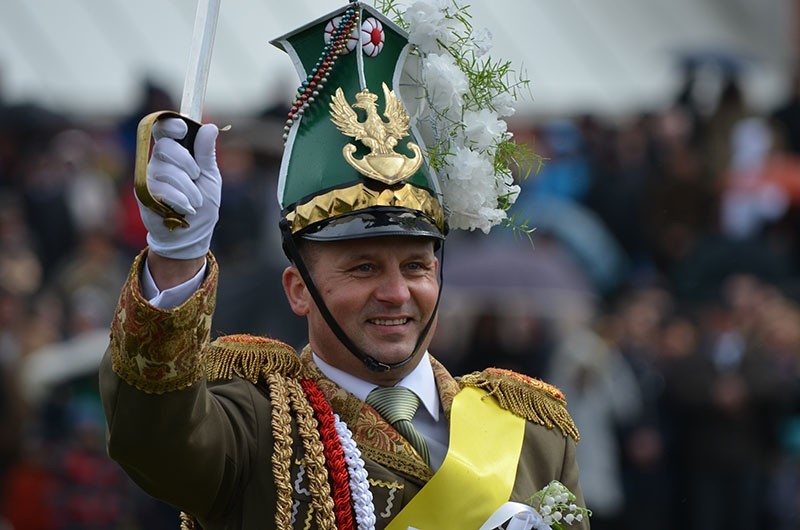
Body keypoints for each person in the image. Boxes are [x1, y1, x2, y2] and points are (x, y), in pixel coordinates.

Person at [99, 4, 587, 529]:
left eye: (417, 266)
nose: (397, 292)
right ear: (298, 289)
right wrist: (176, 258)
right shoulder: (254, 426)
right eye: (363, 268)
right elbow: (153, 438)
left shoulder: (533, 433)